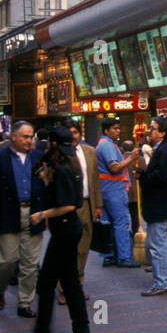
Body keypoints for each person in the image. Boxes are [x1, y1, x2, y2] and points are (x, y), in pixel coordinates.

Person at [15, 128, 90, 333]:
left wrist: (42, 214)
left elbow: (68, 205)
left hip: (65, 230)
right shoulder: (70, 165)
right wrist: (47, 180)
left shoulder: (64, 169)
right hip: (69, 229)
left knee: (46, 285)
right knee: (70, 283)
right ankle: (81, 332)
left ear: (53, 145)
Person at [0, 121, 45, 315]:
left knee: (30, 264)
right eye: (24, 136)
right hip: (8, 214)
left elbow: (44, 186)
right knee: (6, 261)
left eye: (31, 136)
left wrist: (46, 214)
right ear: (13, 137)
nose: (28, 140)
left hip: (33, 213)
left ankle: (24, 302)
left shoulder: (38, 157)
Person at [139, 117, 167, 297]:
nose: (150, 130)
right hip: (166, 203)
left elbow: (160, 176)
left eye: (153, 128)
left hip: (159, 204)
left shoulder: (164, 150)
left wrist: (142, 176)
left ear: (162, 132)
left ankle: (162, 282)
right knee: (165, 244)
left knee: (158, 245)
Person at [66, 122, 103, 305]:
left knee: (83, 249)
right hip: (67, 208)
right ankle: (64, 288)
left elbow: (95, 179)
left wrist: (98, 205)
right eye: (69, 133)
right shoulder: (58, 153)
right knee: (67, 250)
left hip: (87, 204)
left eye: (75, 132)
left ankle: (78, 286)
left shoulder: (89, 152)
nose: (73, 136)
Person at [94, 119, 137, 268]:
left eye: (118, 128)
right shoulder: (107, 146)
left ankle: (109, 255)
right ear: (106, 131)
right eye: (115, 128)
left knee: (107, 223)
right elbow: (114, 167)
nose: (118, 131)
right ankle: (124, 257)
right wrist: (130, 159)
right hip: (113, 189)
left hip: (105, 188)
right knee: (120, 222)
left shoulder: (103, 144)